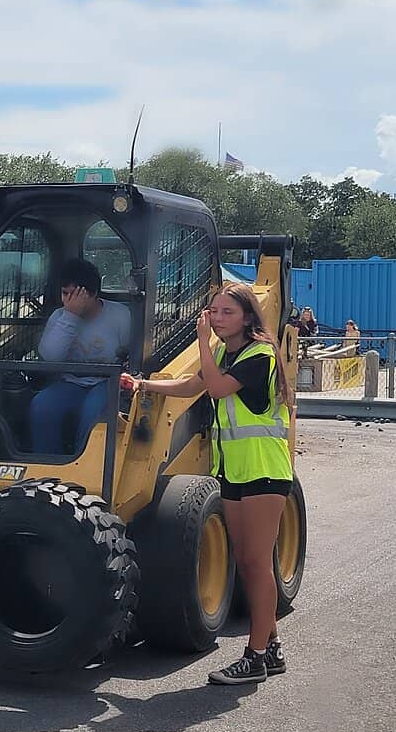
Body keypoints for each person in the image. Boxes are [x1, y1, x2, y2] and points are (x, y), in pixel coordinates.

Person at [120, 282, 294, 687]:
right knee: (245, 559)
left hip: (265, 471)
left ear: (248, 317)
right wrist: (143, 385)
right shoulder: (222, 353)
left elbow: (214, 388)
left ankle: (255, 657)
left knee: (255, 561)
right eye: (213, 312)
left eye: (226, 313)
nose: (216, 319)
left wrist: (199, 339)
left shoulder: (260, 355)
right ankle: (270, 647)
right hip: (234, 472)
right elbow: (192, 385)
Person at [30, 258, 131, 454]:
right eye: (65, 294)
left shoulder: (120, 316)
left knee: (93, 413)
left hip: (107, 382)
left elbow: (129, 353)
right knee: (41, 406)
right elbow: (50, 357)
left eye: (76, 295)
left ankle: (81, 460)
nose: (69, 301)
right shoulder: (59, 316)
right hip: (71, 382)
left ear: (92, 293)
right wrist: (70, 317)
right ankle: (47, 461)